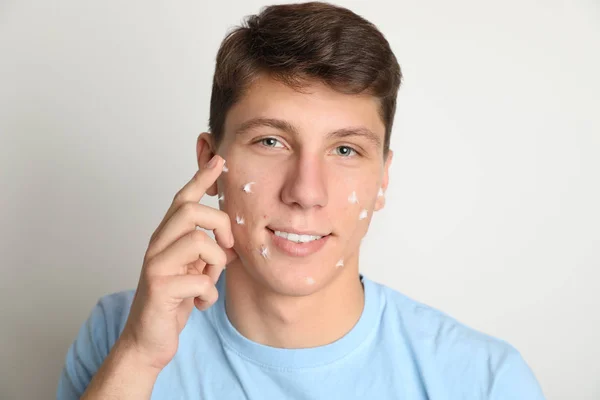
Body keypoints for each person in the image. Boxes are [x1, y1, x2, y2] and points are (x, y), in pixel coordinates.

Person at [56, 2, 546, 399]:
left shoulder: (484, 381)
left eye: (345, 149)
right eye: (271, 141)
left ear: (382, 180)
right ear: (210, 163)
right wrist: (140, 356)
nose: (305, 193)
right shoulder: (119, 334)